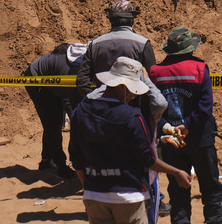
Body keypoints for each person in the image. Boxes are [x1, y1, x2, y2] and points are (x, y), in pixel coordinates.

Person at [70, 56, 192, 224]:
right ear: (123, 86)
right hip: (128, 197)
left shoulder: (81, 111)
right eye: (133, 90)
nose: (134, 96)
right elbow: (147, 159)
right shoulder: (132, 116)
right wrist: (176, 172)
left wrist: (89, 187)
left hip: (94, 196)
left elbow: (75, 157)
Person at [148, 27, 222, 224]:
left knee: (178, 192)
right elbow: (205, 106)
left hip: (171, 141)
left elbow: (153, 107)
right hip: (201, 139)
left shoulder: (156, 72)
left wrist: (167, 126)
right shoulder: (199, 68)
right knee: (211, 189)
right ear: (190, 48)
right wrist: (188, 126)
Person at [23, 42, 87, 180]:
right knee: (53, 123)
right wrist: (78, 123)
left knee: (54, 121)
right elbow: (68, 101)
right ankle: (61, 167)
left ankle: (46, 160)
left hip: (53, 82)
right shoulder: (68, 71)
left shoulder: (85, 64)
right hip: (36, 80)